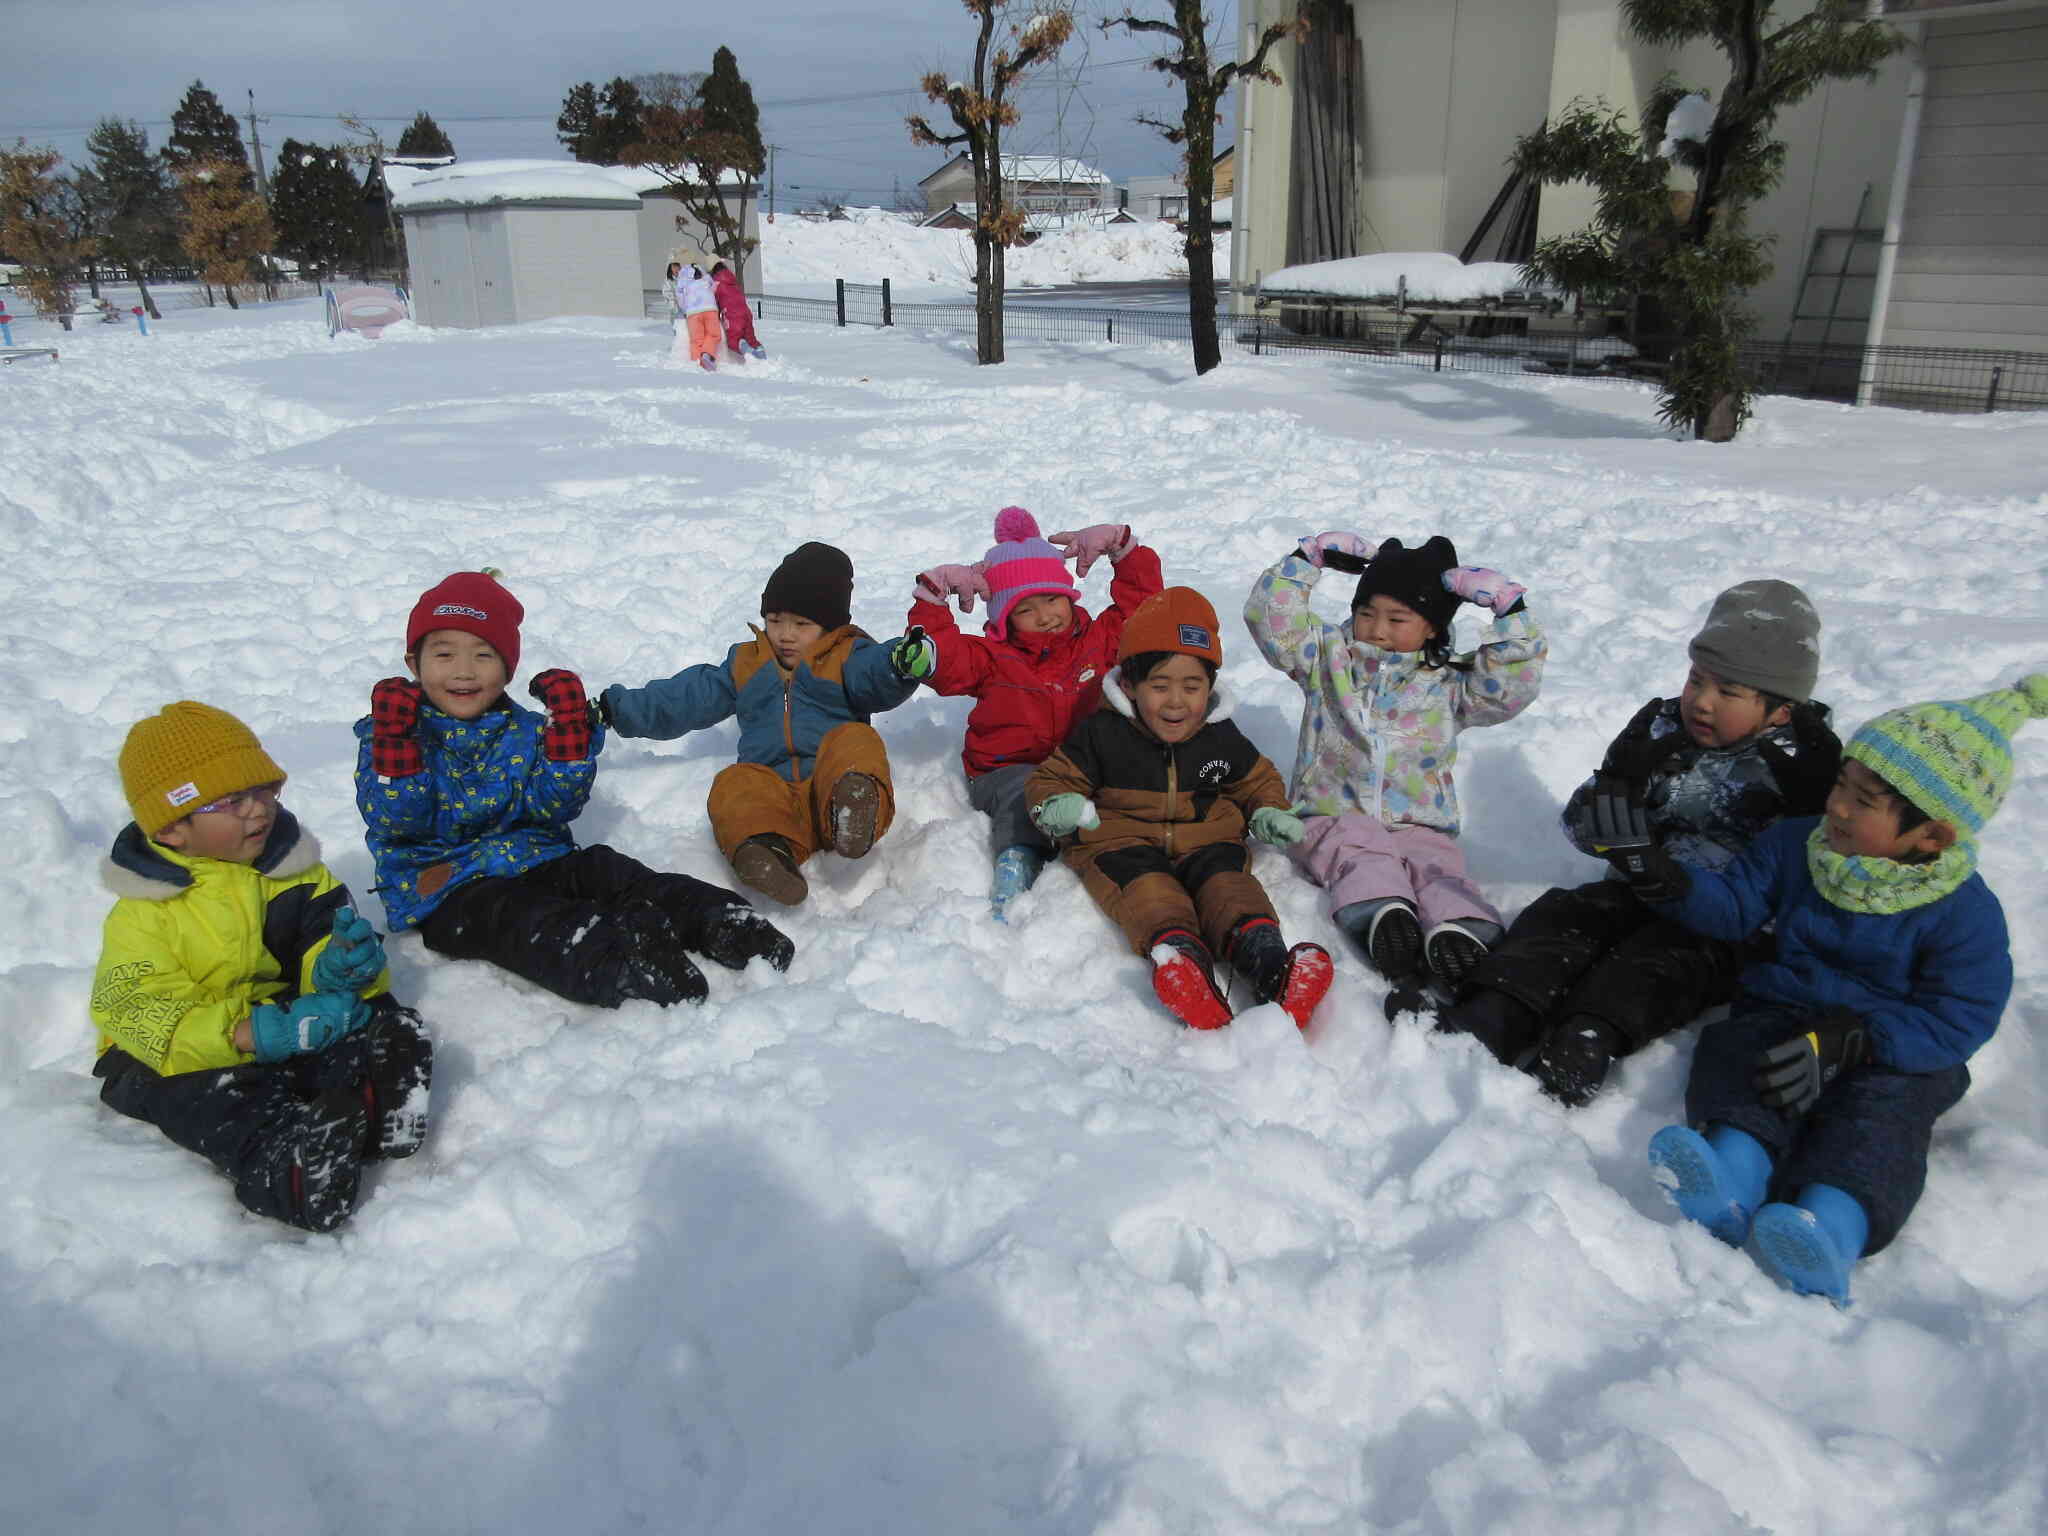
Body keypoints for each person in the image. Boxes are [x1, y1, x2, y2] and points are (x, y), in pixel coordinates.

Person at [1611, 674, 2045, 1304]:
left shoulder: (1963, 913)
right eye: (1842, 783)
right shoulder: (1797, 845)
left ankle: (1829, 1225)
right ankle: (1732, 1168)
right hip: (1786, 1013)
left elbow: (1961, 1018)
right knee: (1742, 1056)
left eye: (1864, 801)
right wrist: (1661, 874)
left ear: (1932, 836)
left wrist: (1863, 1038)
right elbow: (1733, 906)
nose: (1837, 805)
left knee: (1880, 1121)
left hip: (1896, 1052)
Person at [1436, 580, 1841, 1105]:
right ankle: (1498, 1007)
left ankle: (1587, 1038)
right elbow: (1580, 830)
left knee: (1655, 964)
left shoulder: (1806, 764)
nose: (1703, 701)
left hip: (1721, 920)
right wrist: (1617, 789)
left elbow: (1817, 874)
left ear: (1781, 710)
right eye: (1698, 680)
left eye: (1729, 692)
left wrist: (1811, 809)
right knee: (1565, 917)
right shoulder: (1662, 729)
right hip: (1633, 886)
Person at [356, 569, 792, 1009]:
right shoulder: (394, 735)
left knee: (607, 870)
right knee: (521, 920)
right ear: (414, 664)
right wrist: (397, 746)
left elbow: (553, 808)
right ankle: (620, 961)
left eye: (484, 656)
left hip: (538, 857)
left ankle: (716, 919)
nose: (464, 672)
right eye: (444, 655)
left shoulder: (525, 731)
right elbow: (398, 820)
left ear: (508, 667)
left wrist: (567, 744)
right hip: (448, 889)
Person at [91, 701, 432, 1233]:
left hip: (274, 1016)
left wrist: (341, 969)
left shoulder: (294, 872)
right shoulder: (145, 912)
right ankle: (287, 1168)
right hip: (166, 1049)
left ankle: (372, 1098)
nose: (258, 811)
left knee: (373, 1015)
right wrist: (240, 1033)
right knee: (221, 1094)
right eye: (232, 801)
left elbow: (325, 935)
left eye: (263, 791)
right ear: (171, 828)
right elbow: (132, 1009)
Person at [1243, 532, 1545, 986]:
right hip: (1332, 815)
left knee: (1437, 868)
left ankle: (1462, 929)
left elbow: (1509, 689)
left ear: (1432, 627)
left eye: (1397, 618)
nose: (1378, 629)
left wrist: (1510, 610)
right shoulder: (1328, 659)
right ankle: (1383, 917)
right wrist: (1308, 559)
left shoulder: (1449, 682)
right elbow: (1271, 622)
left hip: (1418, 821)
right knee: (1359, 850)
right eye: (1366, 613)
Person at [1026, 587, 1333, 1031]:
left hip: (1206, 838)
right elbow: (1049, 780)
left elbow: (1257, 779)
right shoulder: (1102, 734)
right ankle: (1182, 962)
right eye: (1160, 685)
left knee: (1230, 888)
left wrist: (1267, 810)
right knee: (1151, 896)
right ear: (1130, 685)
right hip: (1123, 842)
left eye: (1191, 686)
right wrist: (1058, 806)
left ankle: (1269, 961)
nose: (1176, 702)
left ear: (1209, 688)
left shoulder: (1218, 733)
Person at [597, 542, 930, 908]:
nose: (785, 634)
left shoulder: (848, 657)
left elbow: (876, 675)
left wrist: (900, 662)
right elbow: (686, 696)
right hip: (774, 795)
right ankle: (765, 851)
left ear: (831, 626)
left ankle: (853, 815)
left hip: (833, 784)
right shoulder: (747, 663)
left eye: (801, 624)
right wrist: (616, 710)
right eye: (774, 621)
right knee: (735, 782)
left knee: (855, 739)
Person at [908, 506, 1163, 918]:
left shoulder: (1098, 641)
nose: (1045, 615)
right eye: (1026, 609)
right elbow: (939, 659)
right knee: (1024, 790)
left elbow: (1144, 609)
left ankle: (1135, 851)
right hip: (1006, 770)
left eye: (1052, 599)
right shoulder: (992, 657)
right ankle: (1018, 857)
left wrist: (1123, 548)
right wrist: (933, 596)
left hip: (1084, 765)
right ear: (1005, 617)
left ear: (1068, 595)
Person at [673, 255, 721, 371]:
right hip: (709, 307)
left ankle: (697, 364)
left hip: (692, 312)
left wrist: (685, 309)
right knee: (714, 335)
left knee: (696, 340)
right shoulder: (703, 272)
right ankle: (707, 354)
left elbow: (680, 296)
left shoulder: (681, 278)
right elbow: (713, 286)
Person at [710, 261, 766, 360]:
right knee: (751, 339)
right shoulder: (733, 282)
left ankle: (749, 353)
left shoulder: (717, 283)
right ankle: (761, 354)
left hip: (732, 315)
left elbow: (713, 302)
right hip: (746, 313)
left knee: (733, 341)